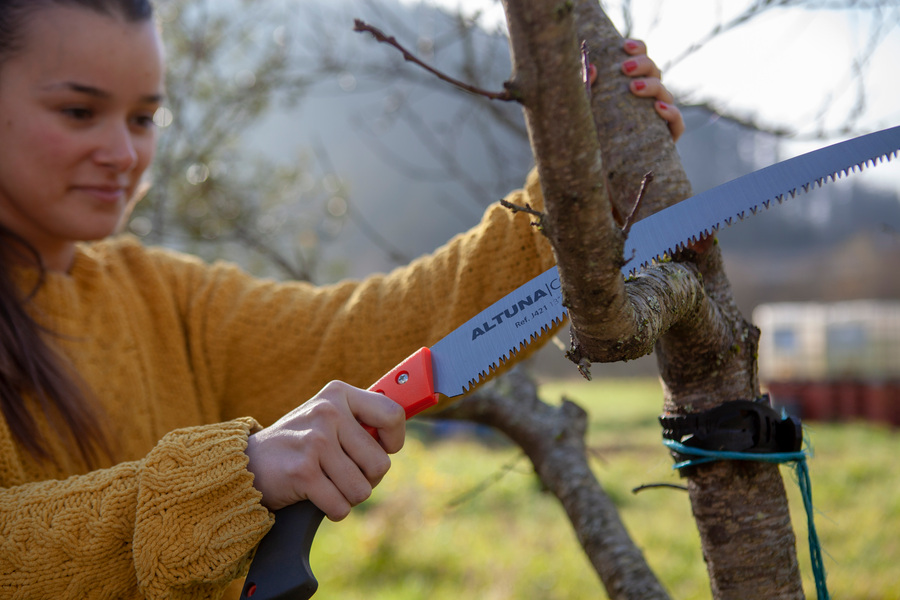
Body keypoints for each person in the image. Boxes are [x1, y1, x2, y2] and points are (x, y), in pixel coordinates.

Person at [0, 0, 683, 598]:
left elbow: (374, 331)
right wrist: (233, 477)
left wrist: (579, 184)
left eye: (145, 117)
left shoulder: (164, 298)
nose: (122, 151)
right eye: (79, 111)